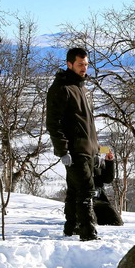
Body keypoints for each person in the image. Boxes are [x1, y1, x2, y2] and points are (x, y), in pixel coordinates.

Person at [46, 47, 100, 241]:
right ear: (69, 64)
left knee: (75, 190)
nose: (84, 68)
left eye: (86, 64)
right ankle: (88, 233)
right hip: (74, 150)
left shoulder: (82, 88)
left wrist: (97, 150)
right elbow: (53, 122)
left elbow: (89, 124)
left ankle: (72, 228)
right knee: (86, 189)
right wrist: (62, 150)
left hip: (88, 150)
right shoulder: (61, 88)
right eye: (80, 64)